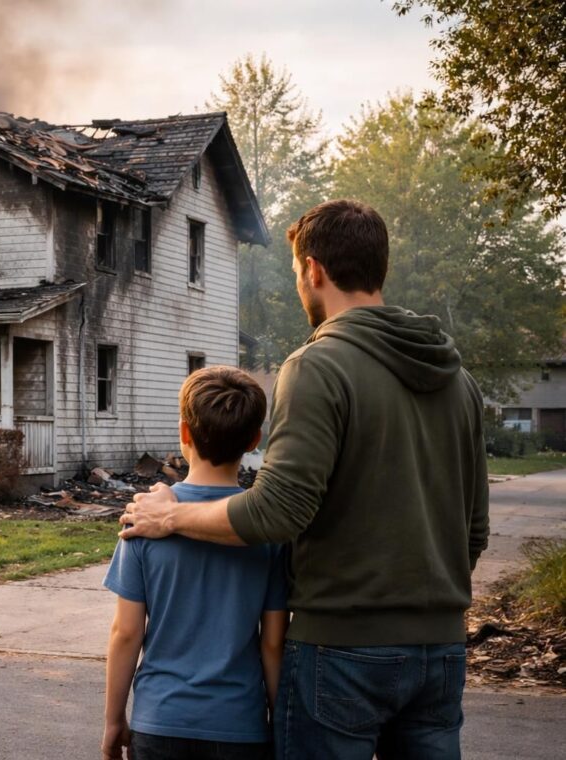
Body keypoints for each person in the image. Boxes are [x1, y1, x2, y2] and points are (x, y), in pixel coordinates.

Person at [119, 199, 490, 759]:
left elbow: (276, 511)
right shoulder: (459, 382)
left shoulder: (318, 366)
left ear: (313, 270)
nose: (299, 285)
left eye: (296, 274)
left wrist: (168, 515)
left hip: (341, 653)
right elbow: (475, 531)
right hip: (439, 651)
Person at [102, 366, 288, 760]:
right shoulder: (265, 532)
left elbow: (126, 633)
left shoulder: (144, 519)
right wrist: (280, 724)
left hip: (160, 720)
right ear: (255, 439)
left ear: (185, 433)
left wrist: (114, 718)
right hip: (241, 726)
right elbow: (273, 642)